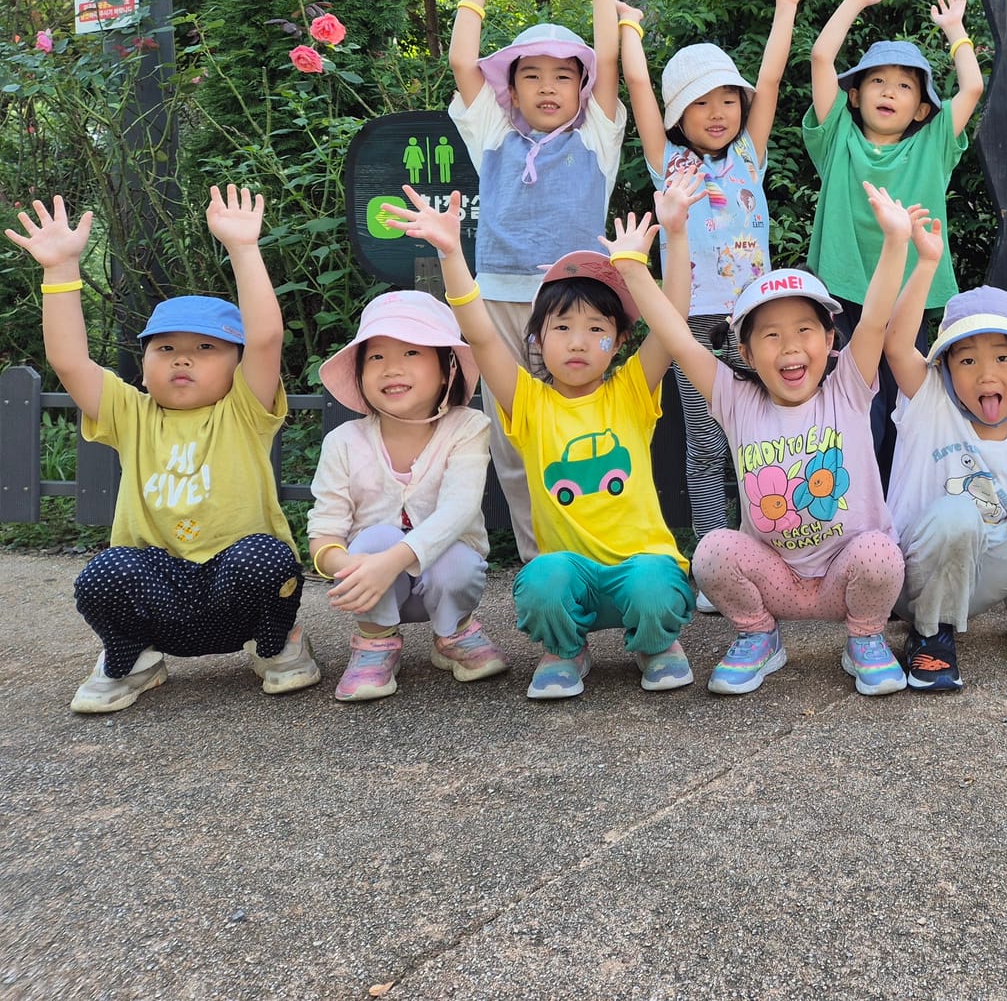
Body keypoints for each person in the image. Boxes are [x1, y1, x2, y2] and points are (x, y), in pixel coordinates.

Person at [8, 187, 319, 713]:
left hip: (234, 583)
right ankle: (135, 658)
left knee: (267, 558)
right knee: (103, 574)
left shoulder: (244, 410)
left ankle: (276, 645)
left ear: (238, 365)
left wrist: (244, 248)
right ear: (145, 364)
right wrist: (60, 270)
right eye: (166, 348)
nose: (182, 359)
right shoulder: (130, 413)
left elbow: (267, 339)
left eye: (206, 348)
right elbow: (70, 362)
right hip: (160, 587)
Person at [383, 190, 695, 700]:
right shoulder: (527, 402)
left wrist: (676, 235)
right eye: (562, 327)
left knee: (656, 585)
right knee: (542, 580)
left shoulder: (633, 391)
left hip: (640, 567)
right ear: (538, 339)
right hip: (570, 576)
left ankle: (656, 645)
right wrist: (451, 254)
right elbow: (482, 336)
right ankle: (565, 650)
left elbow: (672, 320)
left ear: (619, 341)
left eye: (596, 328)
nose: (578, 341)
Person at [652, 176, 913, 697]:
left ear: (830, 339)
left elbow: (875, 323)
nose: (790, 347)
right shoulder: (736, 400)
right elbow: (677, 338)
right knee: (712, 551)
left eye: (804, 330)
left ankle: (865, 638)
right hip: (775, 579)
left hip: (846, 576)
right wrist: (672, 237)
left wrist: (897, 242)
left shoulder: (847, 388)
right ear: (746, 353)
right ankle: (758, 635)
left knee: (882, 553)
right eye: (771, 335)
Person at [619, 0, 804, 604]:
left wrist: (785, 6)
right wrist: (629, 28)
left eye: (727, 98)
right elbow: (638, 87)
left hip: (756, 321)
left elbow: (771, 78)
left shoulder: (749, 153)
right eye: (700, 102)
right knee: (705, 441)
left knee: (766, 436)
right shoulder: (668, 161)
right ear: (679, 115)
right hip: (692, 321)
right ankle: (714, 562)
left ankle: (773, 549)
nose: (718, 111)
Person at [446, 0, 627, 558]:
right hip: (500, 302)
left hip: (577, 306)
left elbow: (608, 59)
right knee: (514, 437)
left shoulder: (597, 135)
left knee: (587, 431)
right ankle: (539, 559)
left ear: (581, 87)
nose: (548, 87)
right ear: (512, 89)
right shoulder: (494, 134)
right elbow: (462, 63)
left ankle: (599, 551)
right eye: (532, 76)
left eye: (562, 76)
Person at [883, 207, 1007, 690]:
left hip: (979, 578)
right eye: (968, 360)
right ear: (945, 368)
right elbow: (895, 347)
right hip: (913, 577)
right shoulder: (929, 400)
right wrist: (926, 263)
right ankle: (930, 635)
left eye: (1002, 357)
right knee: (958, 514)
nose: (986, 374)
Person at [804, 0, 984, 458]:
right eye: (878, 81)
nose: (888, 91)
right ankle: (853, 496)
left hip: (908, 296)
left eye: (905, 86)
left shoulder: (934, 143)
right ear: (854, 95)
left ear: (922, 108)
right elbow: (821, 57)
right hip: (844, 293)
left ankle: (903, 497)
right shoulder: (837, 135)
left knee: (908, 403)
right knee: (853, 404)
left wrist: (955, 30)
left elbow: (971, 88)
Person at [307, 290, 505, 701]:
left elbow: (459, 509)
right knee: (375, 539)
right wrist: (348, 568)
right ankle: (375, 641)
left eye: (412, 352)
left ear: (447, 369)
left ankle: (454, 632)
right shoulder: (343, 442)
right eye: (376, 357)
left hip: (446, 577)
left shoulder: (468, 427)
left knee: (456, 556)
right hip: (374, 585)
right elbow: (325, 530)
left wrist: (392, 561)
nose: (392, 368)